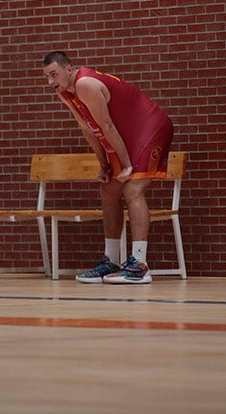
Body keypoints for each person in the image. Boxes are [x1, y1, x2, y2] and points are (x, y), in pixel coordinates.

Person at [42, 51, 174, 284]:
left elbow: (107, 126)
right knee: (109, 190)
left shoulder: (85, 84)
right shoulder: (65, 93)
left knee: (133, 189)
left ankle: (139, 266)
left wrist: (126, 165)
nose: (50, 82)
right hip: (125, 134)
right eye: (47, 77)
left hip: (149, 126)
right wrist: (104, 166)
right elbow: (88, 130)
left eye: (54, 74)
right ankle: (110, 262)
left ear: (69, 69)